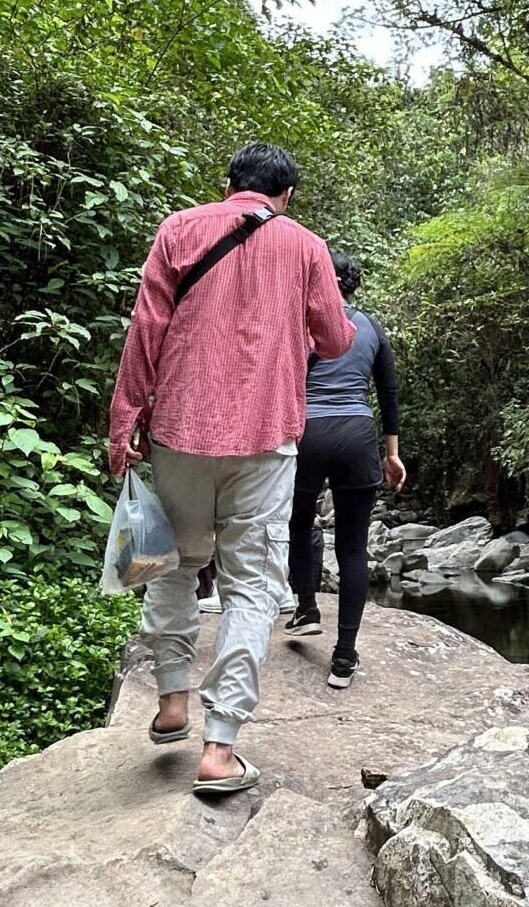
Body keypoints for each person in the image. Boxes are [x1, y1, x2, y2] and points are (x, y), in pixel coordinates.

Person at [108, 143, 353, 794]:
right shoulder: (306, 246)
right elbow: (335, 339)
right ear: (287, 195)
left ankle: (170, 701)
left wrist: (124, 417)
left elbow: (145, 329)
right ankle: (219, 748)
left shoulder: (178, 230)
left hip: (180, 431)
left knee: (173, 563)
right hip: (266, 439)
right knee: (250, 584)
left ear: (226, 185)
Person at [283, 252, 406, 689]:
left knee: (299, 523)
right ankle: (344, 657)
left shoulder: (301, 324)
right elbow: (387, 394)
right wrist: (392, 454)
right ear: (354, 285)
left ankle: (306, 609)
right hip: (358, 434)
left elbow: (284, 381)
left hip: (308, 434)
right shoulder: (371, 327)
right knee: (353, 550)